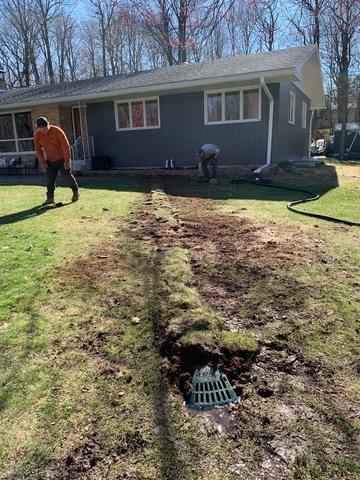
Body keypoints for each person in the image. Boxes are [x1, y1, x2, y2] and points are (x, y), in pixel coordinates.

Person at [34, 116, 79, 205]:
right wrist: (43, 162)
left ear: (48, 124)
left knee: (67, 176)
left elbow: (66, 146)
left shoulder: (57, 131)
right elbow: (38, 149)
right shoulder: (37, 134)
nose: (43, 130)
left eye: (45, 128)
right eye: (41, 129)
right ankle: (50, 198)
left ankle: (75, 192)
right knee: (50, 180)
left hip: (62, 159)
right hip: (50, 160)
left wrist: (67, 161)